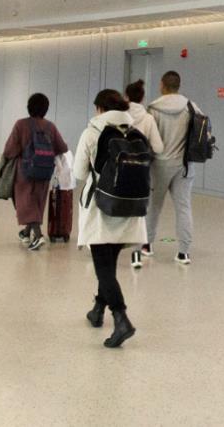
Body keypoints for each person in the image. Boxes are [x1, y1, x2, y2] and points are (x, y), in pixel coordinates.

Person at [73, 89, 146, 348]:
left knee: (103, 269)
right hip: (130, 208)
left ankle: (121, 318)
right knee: (109, 265)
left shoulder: (92, 132)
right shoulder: (135, 132)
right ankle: (97, 310)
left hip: (101, 208)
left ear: (100, 108)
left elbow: (79, 172)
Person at [141, 71, 202, 266]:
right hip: (184, 166)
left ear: (162, 85)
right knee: (183, 207)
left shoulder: (153, 109)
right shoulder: (191, 107)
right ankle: (184, 253)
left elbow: (147, 137)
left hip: (158, 166)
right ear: (178, 85)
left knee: (153, 206)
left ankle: (147, 245)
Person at [2, 93, 68, 251]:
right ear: (46, 109)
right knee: (36, 203)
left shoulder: (21, 124)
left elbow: (9, 150)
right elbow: (62, 147)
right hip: (45, 170)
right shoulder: (50, 126)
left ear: (29, 107)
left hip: (24, 171)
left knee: (25, 204)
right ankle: (26, 233)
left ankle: (38, 236)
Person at [124, 79, 163, 269]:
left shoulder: (120, 116)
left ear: (126, 97)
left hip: (119, 170)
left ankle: (104, 247)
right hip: (140, 171)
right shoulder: (148, 119)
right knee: (139, 212)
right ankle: (137, 253)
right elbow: (158, 147)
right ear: (142, 98)